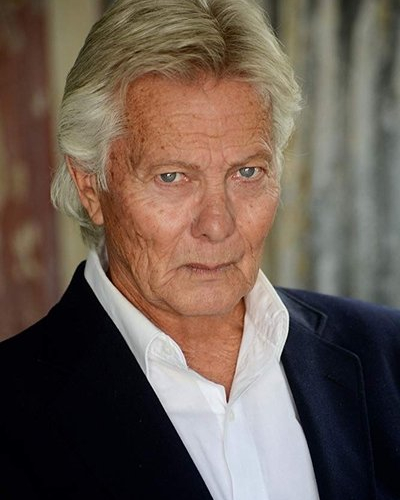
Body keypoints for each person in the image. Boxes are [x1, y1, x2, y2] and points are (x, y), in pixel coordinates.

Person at [0, 0, 399, 498]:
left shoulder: (387, 354)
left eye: (246, 172)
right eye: (172, 177)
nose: (217, 225)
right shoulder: (12, 409)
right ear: (90, 187)